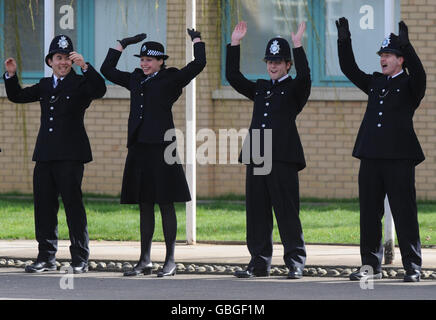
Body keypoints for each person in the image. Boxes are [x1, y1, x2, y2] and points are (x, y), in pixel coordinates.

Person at [100, 30, 206, 277]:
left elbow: (199, 64)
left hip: (161, 148)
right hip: (139, 148)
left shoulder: (170, 79)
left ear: (160, 62)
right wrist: (121, 44)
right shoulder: (136, 79)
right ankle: (144, 259)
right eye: (142, 59)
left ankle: (170, 259)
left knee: (165, 203)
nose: (144, 64)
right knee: (144, 204)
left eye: (149, 60)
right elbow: (108, 70)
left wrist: (197, 41)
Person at [3, 35, 107, 274]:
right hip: (45, 154)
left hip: (71, 155)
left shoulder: (81, 84)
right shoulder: (44, 85)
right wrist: (10, 75)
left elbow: (99, 89)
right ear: (50, 61)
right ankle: (46, 257)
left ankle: (80, 257)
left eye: (67, 58)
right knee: (44, 206)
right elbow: (17, 96)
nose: (63, 62)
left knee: (73, 206)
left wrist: (85, 66)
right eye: (58, 58)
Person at [336, 18, 426, 282]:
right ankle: (370, 265)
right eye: (382, 55)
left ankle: (413, 266)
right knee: (369, 213)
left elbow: (421, 75)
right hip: (371, 155)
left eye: (388, 55)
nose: (383, 59)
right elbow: (350, 69)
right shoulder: (375, 83)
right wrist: (344, 40)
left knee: (404, 212)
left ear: (400, 60)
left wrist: (407, 46)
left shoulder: (411, 86)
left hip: (399, 158)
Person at [226, 21, 311, 279]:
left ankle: (295, 262)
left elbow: (306, 77)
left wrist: (297, 45)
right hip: (257, 155)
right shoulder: (261, 88)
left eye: (279, 61)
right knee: (257, 211)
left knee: (286, 211)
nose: (273, 65)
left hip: (283, 157)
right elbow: (234, 78)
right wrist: (235, 44)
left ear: (288, 65)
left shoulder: (294, 89)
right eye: (270, 61)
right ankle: (259, 262)